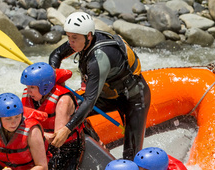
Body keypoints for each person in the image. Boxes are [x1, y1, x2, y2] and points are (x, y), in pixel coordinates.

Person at [48, 11, 151, 160]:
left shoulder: (98, 58)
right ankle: (92, 144)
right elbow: (56, 55)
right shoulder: (81, 40)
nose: (70, 42)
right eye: (68, 37)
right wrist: (55, 74)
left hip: (134, 99)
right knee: (69, 109)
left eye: (74, 38)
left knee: (131, 156)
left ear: (89, 35)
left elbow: (90, 101)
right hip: (108, 95)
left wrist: (67, 129)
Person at [20, 62, 85, 170]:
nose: (28, 90)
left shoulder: (63, 100)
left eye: (32, 87)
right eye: (27, 86)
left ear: (45, 87)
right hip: (41, 144)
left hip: (67, 147)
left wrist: (34, 135)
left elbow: (57, 140)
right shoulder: (29, 96)